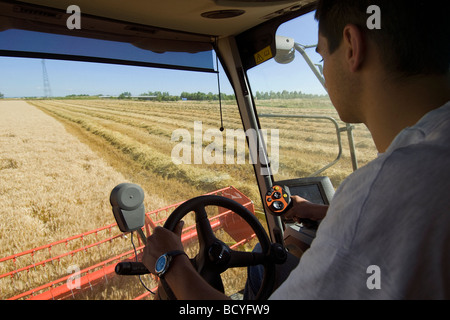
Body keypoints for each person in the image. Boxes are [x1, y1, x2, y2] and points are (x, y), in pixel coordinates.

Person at [142, 0, 450, 299]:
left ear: (352, 46)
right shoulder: (431, 157)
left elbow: (377, 217)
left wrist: (171, 262)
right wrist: (319, 212)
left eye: (323, 56)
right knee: (265, 260)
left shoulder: (382, 191)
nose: (325, 74)